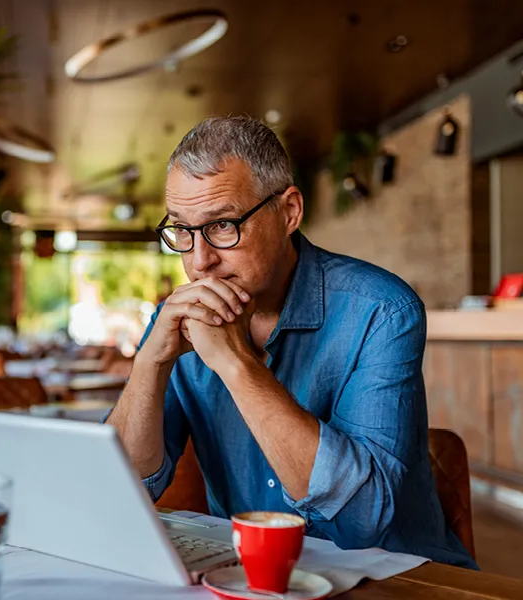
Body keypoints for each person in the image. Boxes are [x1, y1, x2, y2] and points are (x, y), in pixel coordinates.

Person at [106, 116, 476, 568]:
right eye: (182, 230)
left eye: (223, 225)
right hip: (253, 578)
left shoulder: (380, 310)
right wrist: (150, 362)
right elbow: (119, 493)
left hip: (394, 580)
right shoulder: (179, 321)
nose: (200, 261)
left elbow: (361, 522)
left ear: (289, 212)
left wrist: (237, 365)